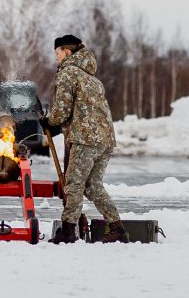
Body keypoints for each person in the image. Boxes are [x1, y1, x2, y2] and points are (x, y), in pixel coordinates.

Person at [41, 34, 128, 244]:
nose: (56, 58)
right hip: (105, 140)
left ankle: (68, 232)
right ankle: (117, 228)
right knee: (93, 186)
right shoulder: (92, 78)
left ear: (67, 52)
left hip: (85, 138)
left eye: (58, 53)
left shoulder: (68, 73)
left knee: (74, 185)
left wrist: (49, 122)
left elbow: (62, 110)